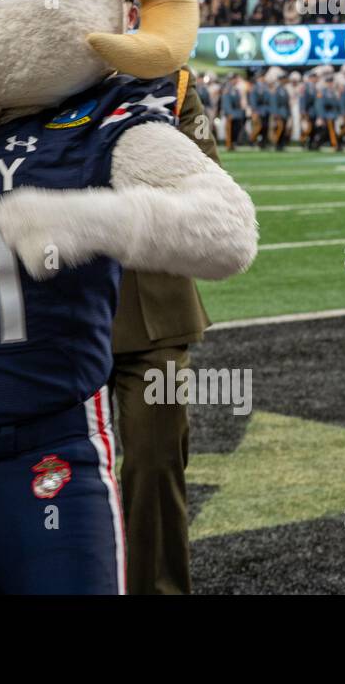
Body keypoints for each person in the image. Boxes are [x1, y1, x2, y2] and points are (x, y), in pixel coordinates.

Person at [109, 62, 217, 594]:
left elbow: (208, 181)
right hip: (54, 305)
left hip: (153, 304)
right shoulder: (29, 78)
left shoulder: (168, 82)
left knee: (155, 464)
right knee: (49, 470)